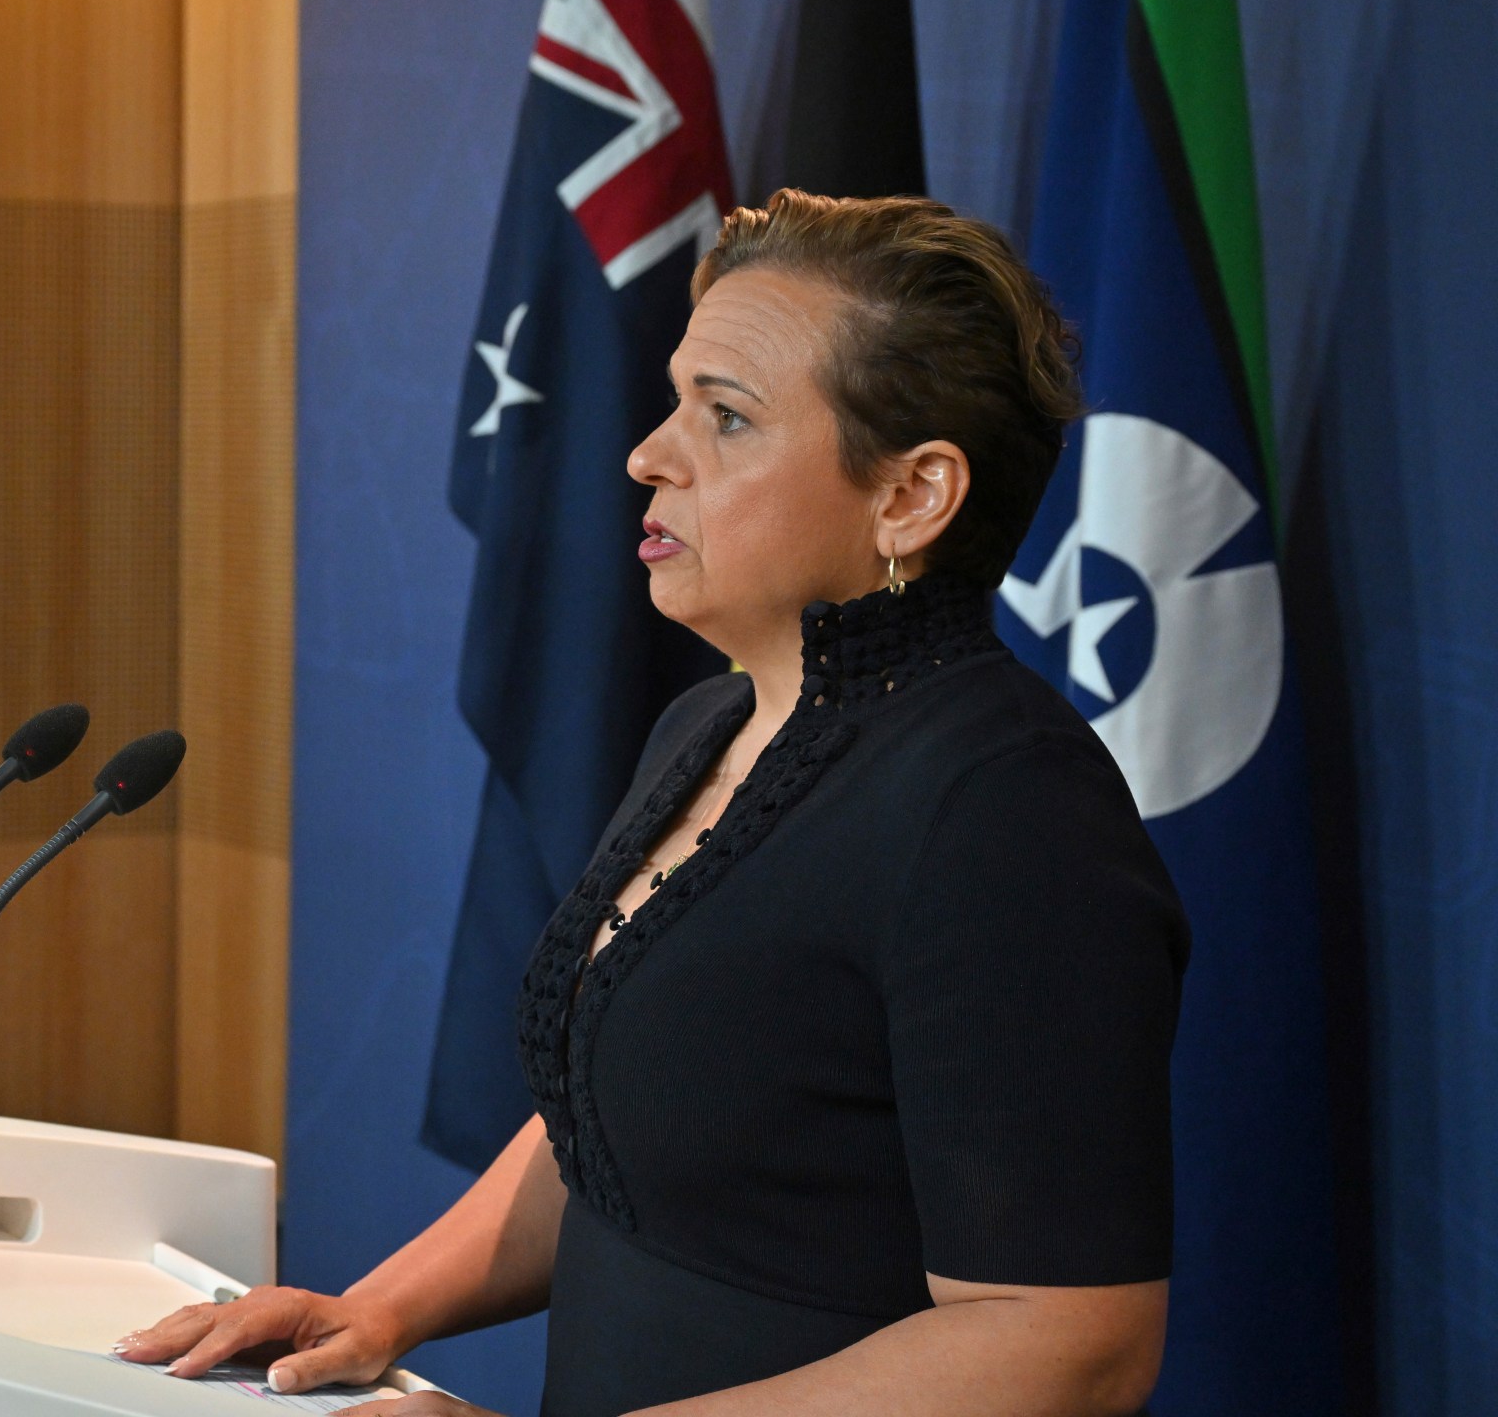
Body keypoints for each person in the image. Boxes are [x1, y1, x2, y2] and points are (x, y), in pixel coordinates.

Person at [119, 192, 1185, 1414]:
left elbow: (1064, 1340)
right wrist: (380, 1309)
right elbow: (610, 1122)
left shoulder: (1004, 812)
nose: (648, 452)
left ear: (910, 497)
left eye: (724, 416)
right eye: (677, 398)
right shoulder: (709, 724)